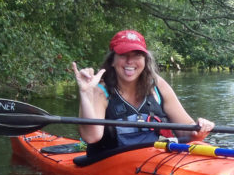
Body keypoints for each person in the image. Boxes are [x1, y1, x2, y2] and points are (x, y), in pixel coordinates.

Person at [73, 29, 214, 156]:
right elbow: (91, 137)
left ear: (145, 61)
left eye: (137, 55)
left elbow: (185, 131)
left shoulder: (157, 85)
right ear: (112, 60)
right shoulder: (100, 90)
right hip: (109, 163)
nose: (130, 61)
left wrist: (198, 130)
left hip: (151, 161)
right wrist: (85, 94)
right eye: (123, 55)